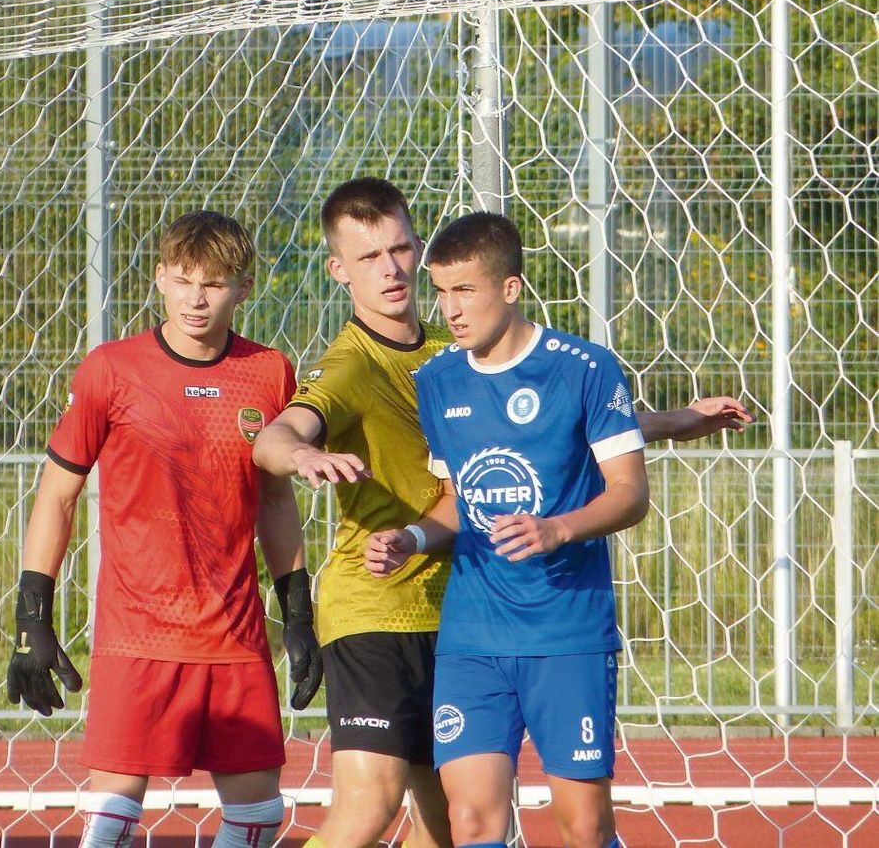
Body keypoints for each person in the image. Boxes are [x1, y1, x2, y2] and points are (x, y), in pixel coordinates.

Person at [251, 178, 752, 848]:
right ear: (338, 269)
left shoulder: (453, 356)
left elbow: (559, 427)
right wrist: (299, 455)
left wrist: (670, 422)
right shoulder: (354, 367)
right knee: (372, 801)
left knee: (451, 825)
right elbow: (278, 435)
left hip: (459, 603)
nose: (392, 269)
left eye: (400, 249)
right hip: (381, 602)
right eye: (369, 258)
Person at [5, 211, 322, 848]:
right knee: (110, 827)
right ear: (159, 280)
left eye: (214, 283)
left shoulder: (269, 372)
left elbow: (277, 502)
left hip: (234, 635)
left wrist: (300, 611)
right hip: (137, 637)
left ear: (244, 286)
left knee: (258, 817)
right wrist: (32, 616)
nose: (196, 298)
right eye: (182, 280)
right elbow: (58, 495)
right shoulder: (112, 370)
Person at [411, 210, 645, 848]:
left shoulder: (585, 369)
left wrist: (558, 530)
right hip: (472, 636)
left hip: (566, 631)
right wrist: (408, 538)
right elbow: (459, 500)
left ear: (510, 289)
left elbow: (630, 493)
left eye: (465, 291)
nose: (450, 309)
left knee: (583, 826)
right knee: (472, 820)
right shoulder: (435, 381)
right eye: (439, 291)